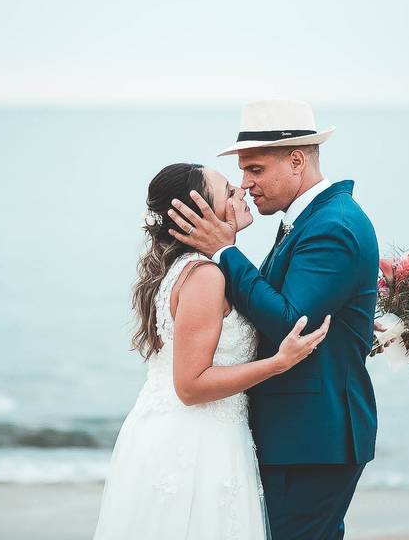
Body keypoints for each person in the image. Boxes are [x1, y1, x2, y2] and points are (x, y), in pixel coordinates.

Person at [168, 99, 380, 539]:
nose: (245, 184)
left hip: (313, 440)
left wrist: (224, 252)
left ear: (297, 160)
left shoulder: (333, 225)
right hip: (299, 435)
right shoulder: (311, 220)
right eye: (243, 172)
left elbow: (290, 323)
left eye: (255, 169)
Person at [92, 161, 330, 540]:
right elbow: (191, 385)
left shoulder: (194, 267)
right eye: (228, 190)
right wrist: (277, 363)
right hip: (196, 446)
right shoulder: (204, 276)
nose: (242, 191)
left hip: (183, 433)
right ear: (200, 213)